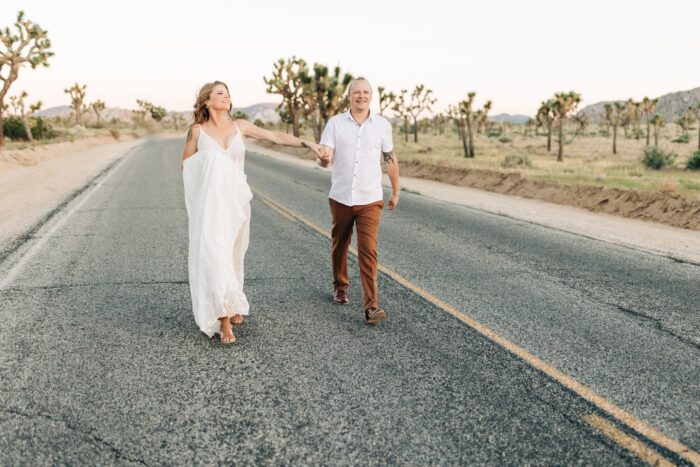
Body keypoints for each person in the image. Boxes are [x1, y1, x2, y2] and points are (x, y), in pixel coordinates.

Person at [181, 81, 323, 345]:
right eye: (219, 93)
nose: (226, 97)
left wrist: (309, 144)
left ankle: (232, 302)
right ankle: (223, 320)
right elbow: (187, 165)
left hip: (237, 201)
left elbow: (275, 137)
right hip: (212, 205)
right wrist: (211, 171)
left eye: (228, 93)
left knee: (234, 254)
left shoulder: (240, 127)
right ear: (206, 102)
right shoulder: (197, 132)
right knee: (216, 256)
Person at [318, 77, 401, 325]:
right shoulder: (335, 124)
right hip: (341, 197)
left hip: (370, 198)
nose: (361, 96)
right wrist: (323, 160)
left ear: (371, 96)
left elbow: (389, 159)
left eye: (366, 92)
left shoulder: (382, 126)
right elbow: (326, 158)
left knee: (368, 250)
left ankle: (371, 307)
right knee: (340, 244)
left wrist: (396, 191)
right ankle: (340, 285)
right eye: (357, 92)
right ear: (349, 96)